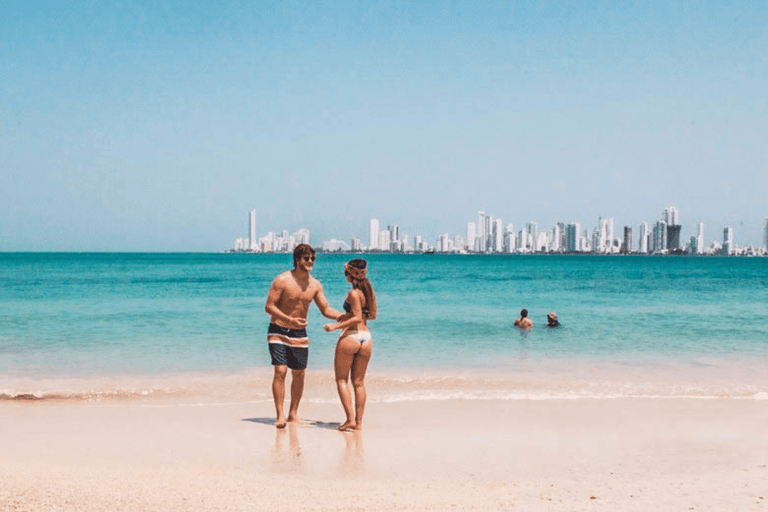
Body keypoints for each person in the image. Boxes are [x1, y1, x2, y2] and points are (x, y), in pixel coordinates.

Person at [265, 244, 343, 428]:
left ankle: (293, 414)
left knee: (299, 374)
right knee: (280, 371)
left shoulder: (315, 285)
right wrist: (289, 320)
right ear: (297, 259)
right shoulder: (282, 280)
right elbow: (269, 306)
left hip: (299, 333)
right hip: (278, 329)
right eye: (306, 258)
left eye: (312, 259)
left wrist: (345, 317)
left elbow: (325, 309)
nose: (310, 262)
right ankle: (280, 416)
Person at [323, 259, 377, 431]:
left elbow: (356, 317)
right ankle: (359, 423)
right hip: (366, 338)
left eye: (345, 272)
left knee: (341, 380)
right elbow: (370, 316)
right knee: (359, 383)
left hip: (351, 337)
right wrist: (345, 317)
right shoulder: (369, 292)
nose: (344, 275)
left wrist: (335, 326)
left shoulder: (353, 293)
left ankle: (349, 420)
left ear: (350, 274)